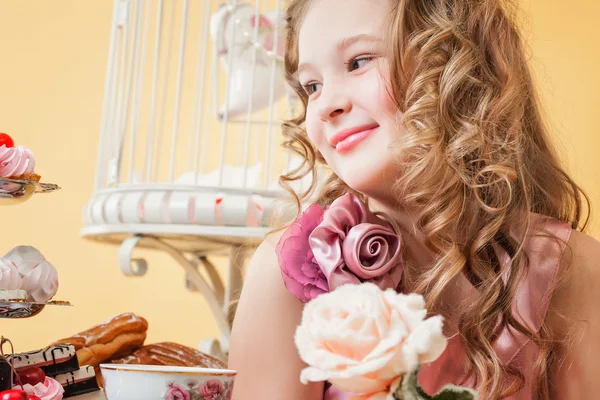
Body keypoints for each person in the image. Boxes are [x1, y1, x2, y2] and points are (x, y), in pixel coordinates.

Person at [228, 0, 600, 398]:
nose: (327, 105)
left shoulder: (570, 268)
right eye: (312, 86)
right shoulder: (290, 275)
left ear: (465, 64)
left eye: (358, 62)